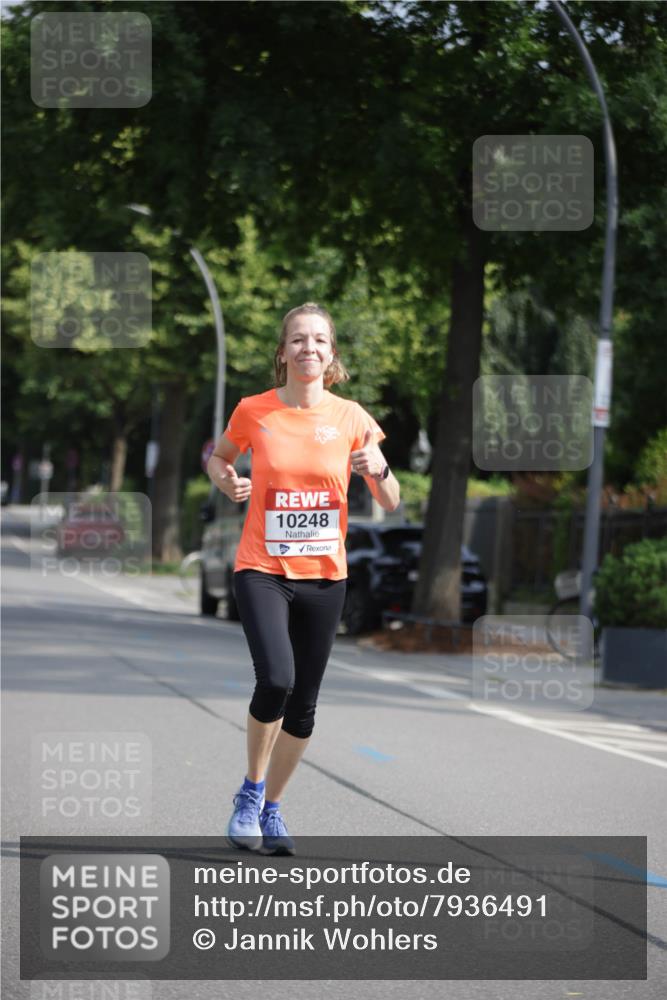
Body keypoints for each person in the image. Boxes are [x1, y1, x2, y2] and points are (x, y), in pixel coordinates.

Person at [207, 302, 400, 855]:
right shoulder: (254, 410)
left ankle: (271, 809)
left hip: (325, 575)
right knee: (277, 680)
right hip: (261, 567)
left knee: (306, 703)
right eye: (297, 339)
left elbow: (391, 497)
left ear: (331, 353)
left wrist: (378, 470)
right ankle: (249, 791)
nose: (308, 348)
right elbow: (219, 459)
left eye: (318, 340)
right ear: (283, 351)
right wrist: (228, 481)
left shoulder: (352, 418)